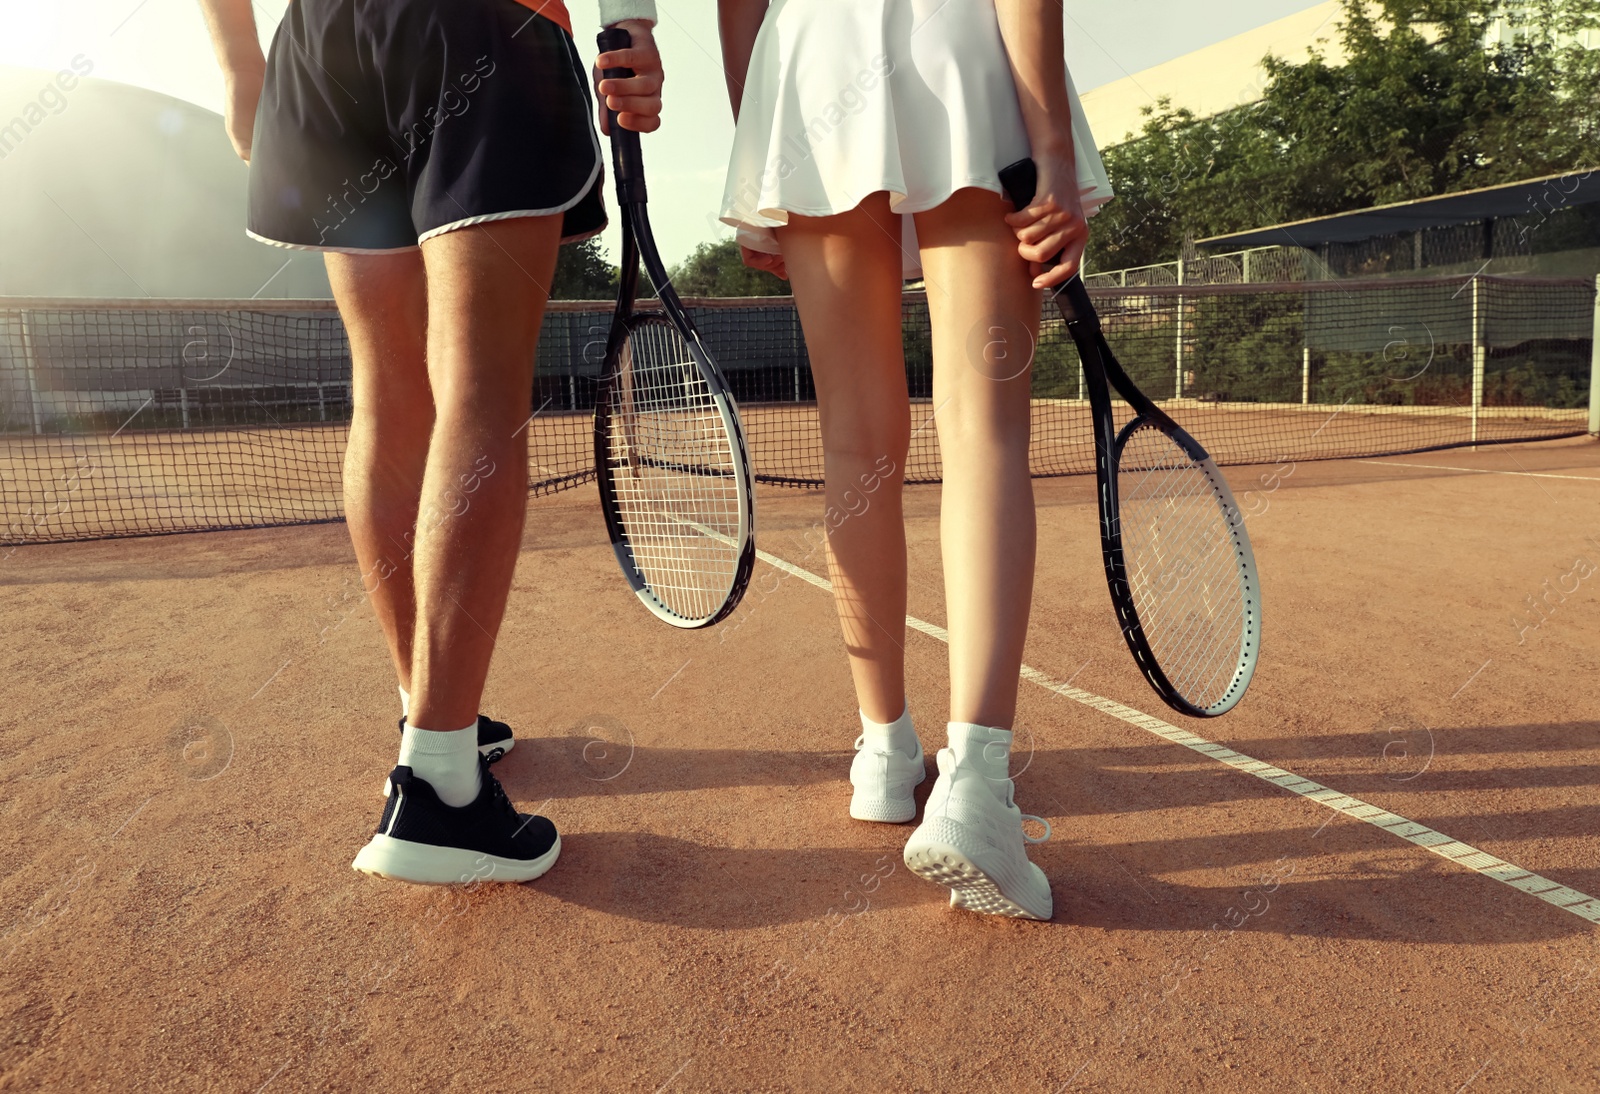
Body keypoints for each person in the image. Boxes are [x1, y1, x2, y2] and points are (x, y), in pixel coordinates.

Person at [199, 0, 664, 885]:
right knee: (480, 389)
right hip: (485, 29)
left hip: (326, 40)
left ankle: (430, 707)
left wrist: (239, 66)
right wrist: (631, 21)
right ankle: (441, 786)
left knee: (386, 392)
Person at [717, 0, 1113, 920]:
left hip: (809, 61)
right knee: (985, 434)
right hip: (958, 45)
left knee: (854, 446)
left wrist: (761, 142)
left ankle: (885, 751)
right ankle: (975, 787)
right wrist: (1049, 142)